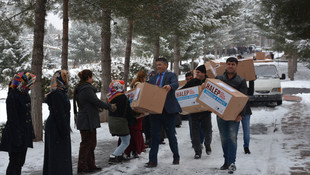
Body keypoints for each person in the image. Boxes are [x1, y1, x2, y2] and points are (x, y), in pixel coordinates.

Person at [74, 69, 116, 173]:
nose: (92, 79)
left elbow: (89, 103)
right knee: (87, 144)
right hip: (87, 120)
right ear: (88, 78)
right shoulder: (86, 89)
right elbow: (95, 101)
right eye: (91, 77)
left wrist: (96, 108)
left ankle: (90, 165)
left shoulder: (81, 87)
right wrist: (109, 106)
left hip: (86, 119)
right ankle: (83, 167)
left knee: (90, 143)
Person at [145, 57, 182, 168]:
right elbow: (148, 90)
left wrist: (170, 86)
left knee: (171, 135)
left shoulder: (171, 76)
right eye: (157, 65)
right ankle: (152, 160)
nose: (158, 67)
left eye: (160, 64)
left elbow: (176, 84)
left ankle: (176, 157)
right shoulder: (153, 78)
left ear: (166, 66)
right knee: (155, 136)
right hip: (155, 111)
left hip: (168, 111)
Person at [215, 57, 248, 174]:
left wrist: (241, 114)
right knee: (224, 138)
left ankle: (232, 162)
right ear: (226, 65)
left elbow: (244, 100)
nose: (230, 66)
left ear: (236, 66)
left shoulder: (241, 81)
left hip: (235, 115)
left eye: (233, 64)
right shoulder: (219, 79)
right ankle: (226, 162)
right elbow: (212, 92)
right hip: (221, 114)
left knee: (232, 138)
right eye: (228, 64)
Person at [0, 72, 36, 175]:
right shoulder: (13, 96)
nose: (31, 85)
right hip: (15, 136)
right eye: (30, 82)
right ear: (23, 82)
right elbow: (13, 119)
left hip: (23, 135)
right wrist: (18, 138)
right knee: (14, 163)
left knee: (20, 162)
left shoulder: (24, 94)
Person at [43, 70, 72, 175]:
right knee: (58, 156)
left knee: (58, 155)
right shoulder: (57, 94)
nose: (67, 80)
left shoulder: (59, 92)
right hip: (56, 128)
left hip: (57, 126)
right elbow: (59, 115)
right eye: (65, 77)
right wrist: (65, 131)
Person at [182, 65, 212, 159]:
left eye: (198, 72)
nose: (197, 74)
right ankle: (197, 151)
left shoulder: (209, 82)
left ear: (203, 73)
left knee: (207, 132)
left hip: (205, 111)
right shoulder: (193, 81)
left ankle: (207, 145)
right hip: (194, 111)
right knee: (195, 133)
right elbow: (183, 90)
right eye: (196, 72)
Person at [107, 80, 137, 164]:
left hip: (112, 121)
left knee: (123, 138)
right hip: (120, 121)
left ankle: (120, 155)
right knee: (126, 141)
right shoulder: (122, 97)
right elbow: (127, 111)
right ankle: (113, 156)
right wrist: (136, 114)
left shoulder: (111, 97)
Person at [124, 70, 146, 158]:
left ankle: (131, 150)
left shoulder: (134, 83)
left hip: (132, 110)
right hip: (136, 110)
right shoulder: (139, 85)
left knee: (133, 131)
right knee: (136, 131)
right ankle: (134, 150)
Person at [237, 56, 254, 154]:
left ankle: (246, 146)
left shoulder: (235, 85)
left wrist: (252, 79)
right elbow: (251, 92)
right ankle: (246, 147)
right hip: (244, 110)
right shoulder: (243, 85)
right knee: (246, 130)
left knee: (240, 130)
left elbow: (250, 92)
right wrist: (251, 79)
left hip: (242, 110)